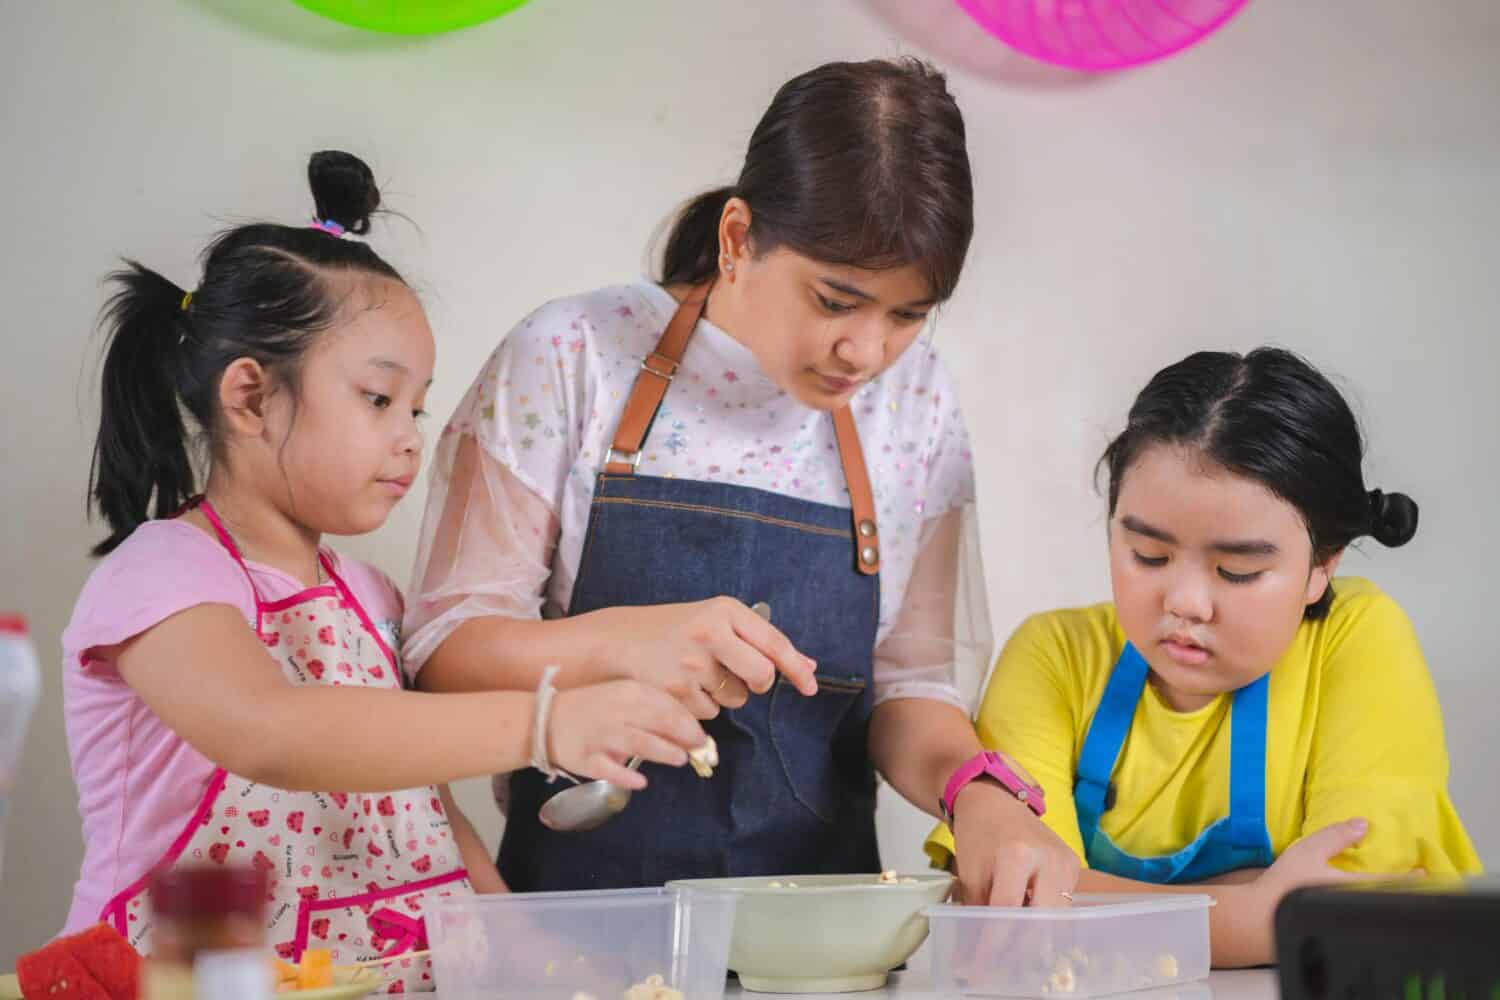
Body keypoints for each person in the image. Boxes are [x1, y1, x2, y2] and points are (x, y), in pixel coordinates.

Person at [403, 58, 1078, 906]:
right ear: (735, 239)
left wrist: (979, 795)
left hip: (824, 935)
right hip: (578, 918)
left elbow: (910, 687)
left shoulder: (917, 401)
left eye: (907, 315)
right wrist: (616, 644)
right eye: (836, 301)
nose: (866, 353)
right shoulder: (573, 352)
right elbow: (441, 650)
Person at [60, 152, 707, 983]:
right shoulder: (165, 572)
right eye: (377, 398)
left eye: (418, 405)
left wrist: (533, 955)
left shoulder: (371, 598)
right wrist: (543, 721)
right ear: (252, 397)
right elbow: (274, 732)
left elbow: (420, 805)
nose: (410, 436)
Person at [927, 347, 1482, 965]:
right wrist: (1254, 914)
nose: (1187, 602)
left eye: (1237, 570)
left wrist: (1092, 903)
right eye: (1149, 556)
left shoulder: (1356, 638)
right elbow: (1017, 904)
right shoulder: (1055, 657)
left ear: (1322, 566)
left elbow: (1351, 914)